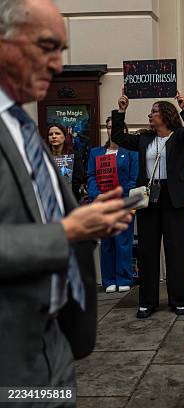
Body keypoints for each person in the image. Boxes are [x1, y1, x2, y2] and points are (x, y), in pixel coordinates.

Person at [0, 0, 132, 391]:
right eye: (46, 46)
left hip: (55, 347)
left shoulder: (24, 128)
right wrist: (66, 232)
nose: (58, 64)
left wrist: (93, 221)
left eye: (62, 50)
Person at [112, 90, 184, 318]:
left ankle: (179, 300)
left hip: (175, 198)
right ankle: (147, 302)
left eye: (154, 111)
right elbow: (119, 137)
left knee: (175, 250)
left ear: (166, 115)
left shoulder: (181, 136)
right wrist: (121, 112)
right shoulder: (144, 139)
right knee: (147, 251)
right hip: (147, 199)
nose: (150, 115)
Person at [88, 117, 139, 293]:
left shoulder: (131, 153)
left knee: (123, 241)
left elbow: (134, 179)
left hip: (123, 201)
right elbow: (91, 177)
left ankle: (124, 277)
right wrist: (97, 195)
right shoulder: (96, 153)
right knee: (107, 241)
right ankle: (108, 279)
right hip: (103, 203)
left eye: (114, 127)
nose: (111, 130)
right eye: (109, 127)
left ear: (123, 131)